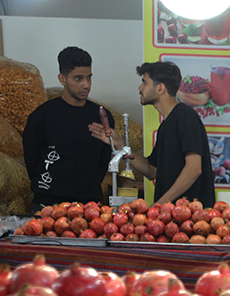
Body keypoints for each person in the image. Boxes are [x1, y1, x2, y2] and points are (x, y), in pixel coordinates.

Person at [89, 61, 214, 206]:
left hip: (192, 220)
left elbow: (194, 168)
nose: (140, 88)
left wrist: (160, 204)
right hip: (170, 220)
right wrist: (120, 145)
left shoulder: (185, 116)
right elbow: (151, 170)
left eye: (145, 83)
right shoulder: (166, 126)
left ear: (160, 88)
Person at [22, 46, 113, 211]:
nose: (86, 85)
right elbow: (31, 160)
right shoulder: (41, 116)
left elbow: (103, 161)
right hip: (47, 206)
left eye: (89, 78)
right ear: (62, 79)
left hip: (89, 207)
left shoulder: (102, 117)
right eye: (78, 79)